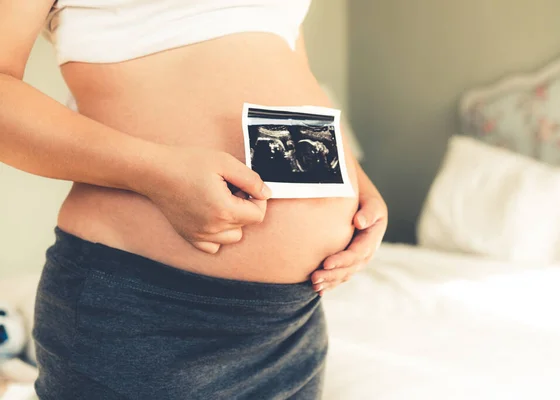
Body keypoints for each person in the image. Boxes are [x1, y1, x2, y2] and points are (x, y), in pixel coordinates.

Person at [0, 0, 388, 398]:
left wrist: (354, 182)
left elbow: (283, 60)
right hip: (146, 313)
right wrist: (155, 173)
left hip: (293, 322)